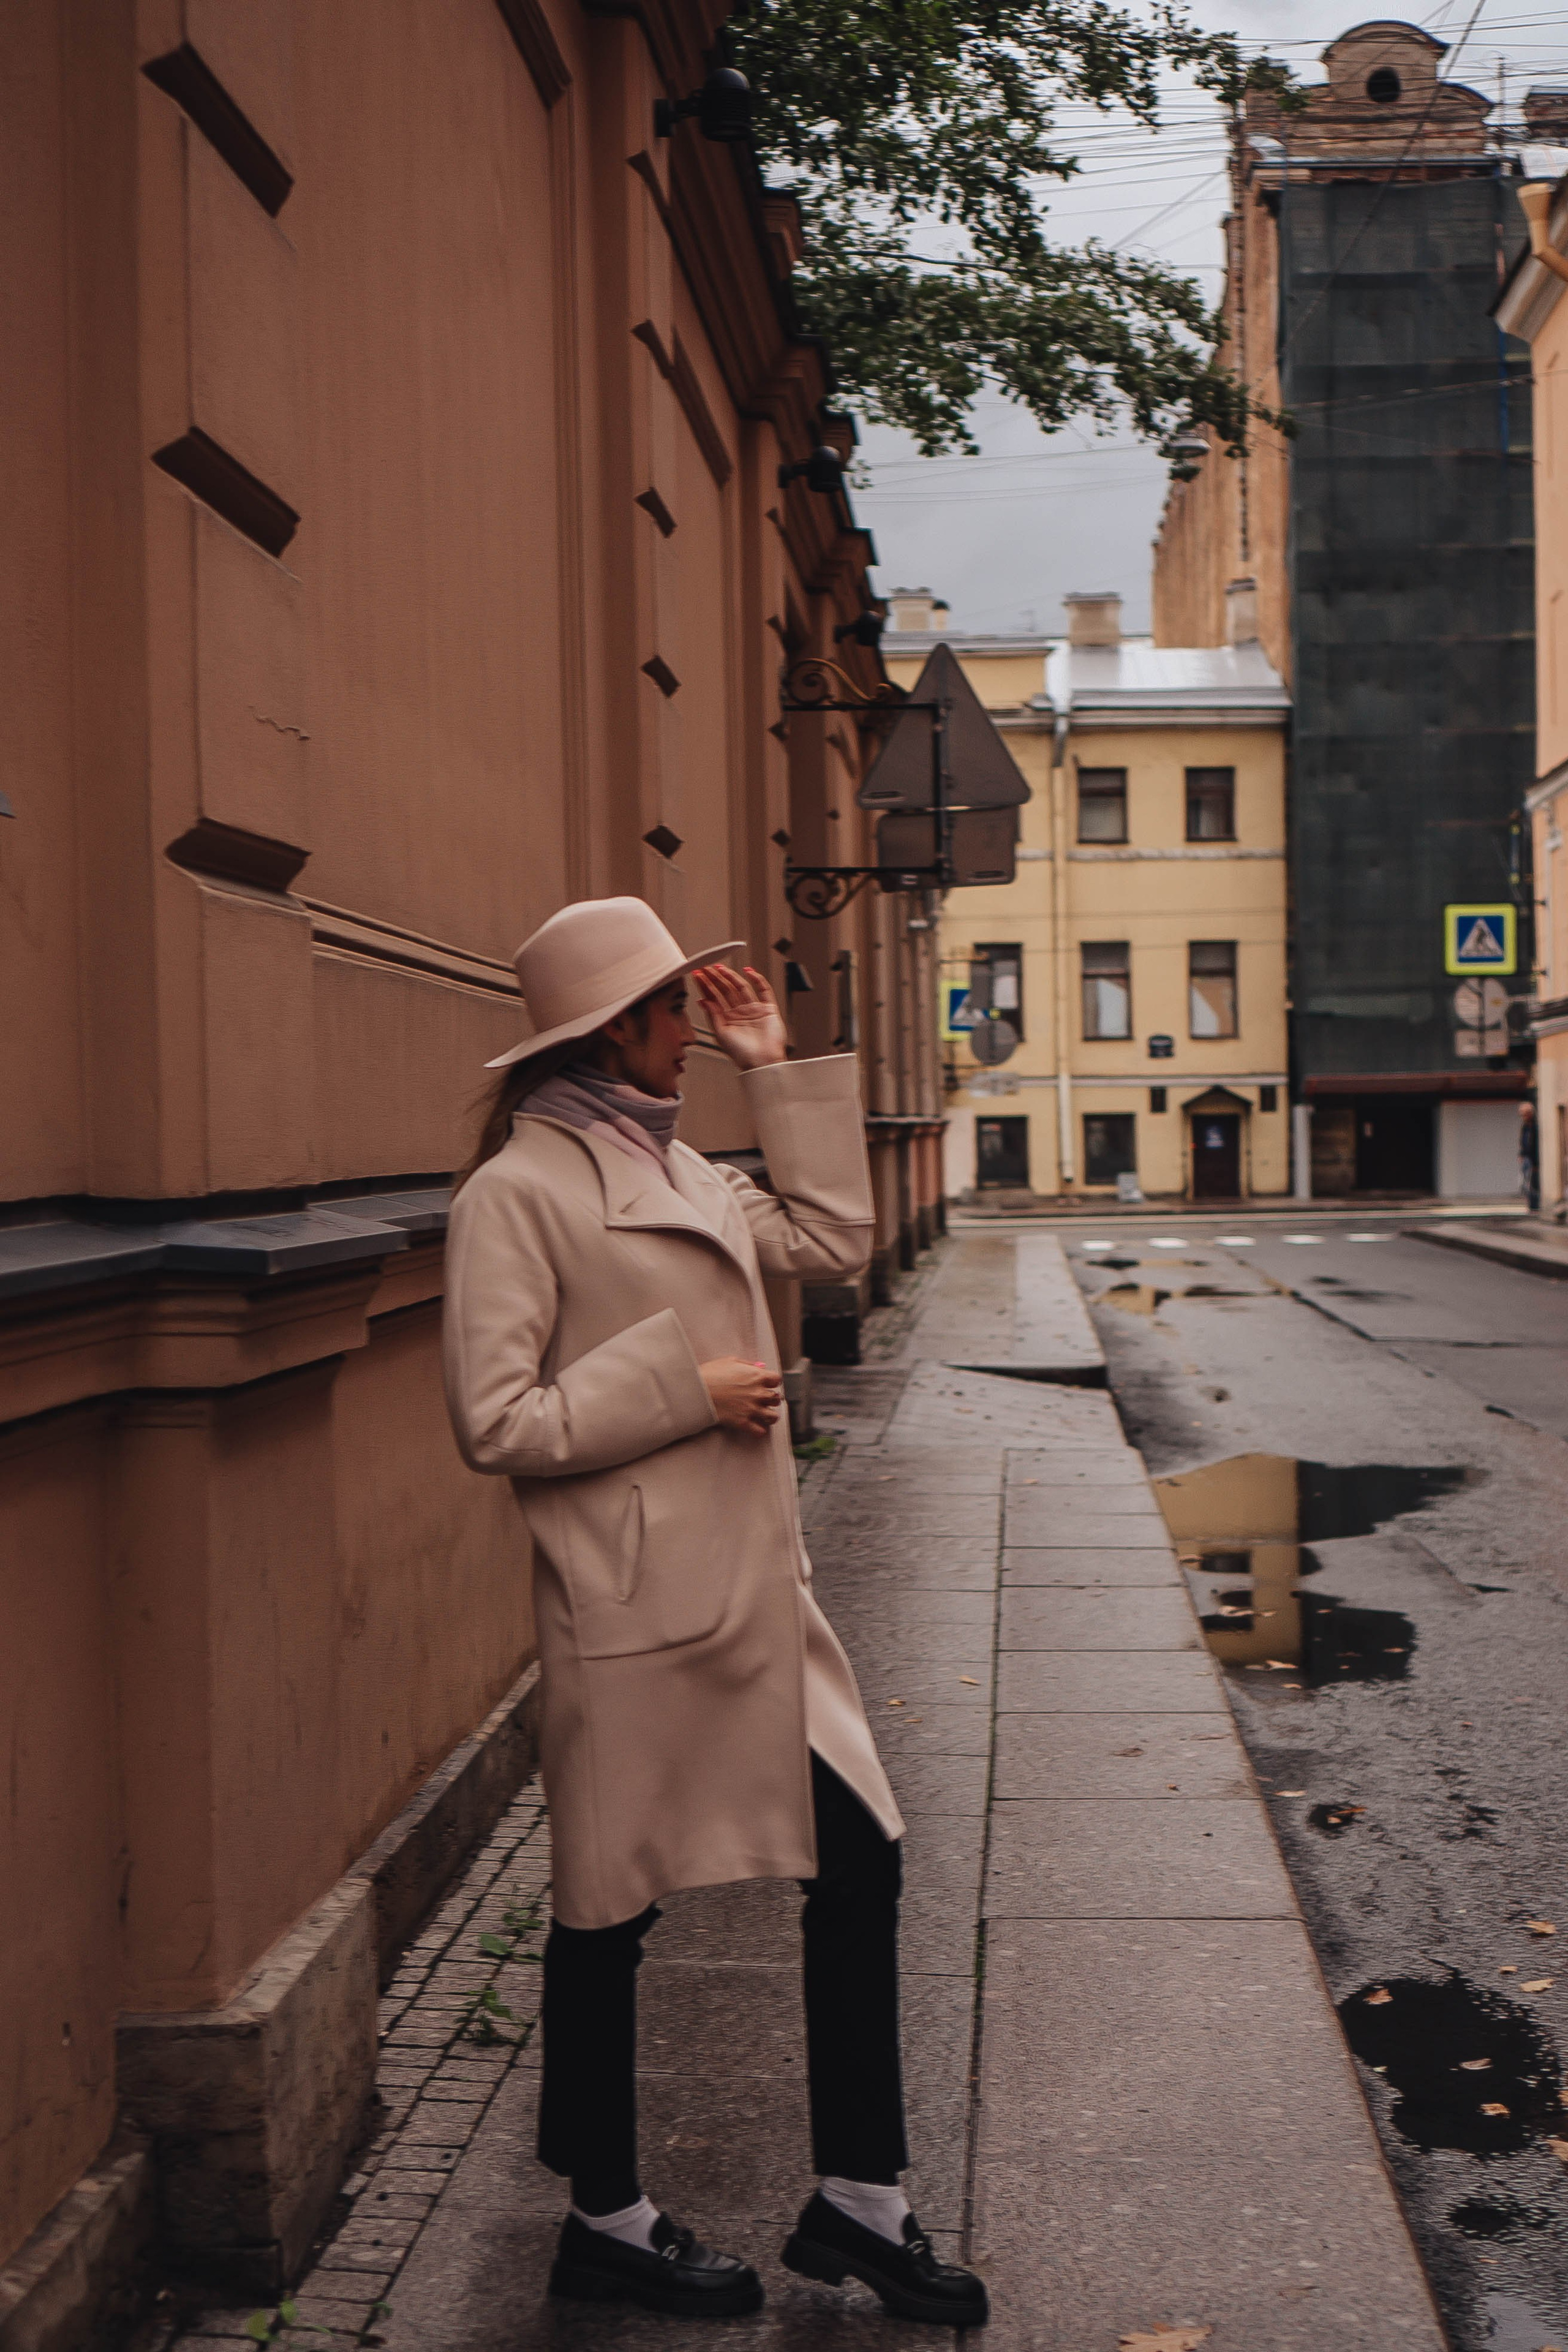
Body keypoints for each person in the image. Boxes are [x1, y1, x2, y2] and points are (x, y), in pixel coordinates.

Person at [443, 897, 987, 2328]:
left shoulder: (677, 1160)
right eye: (676, 1005)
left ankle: (860, 2202)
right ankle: (606, 2219)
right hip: (633, 1610)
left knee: (859, 1860)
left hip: (756, 1603)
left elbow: (828, 1232)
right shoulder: (515, 1193)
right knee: (606, 1915)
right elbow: (495, 1419)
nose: (693, 1024)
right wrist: (678, 1389)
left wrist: (774, 1069)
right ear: (610, 1026)